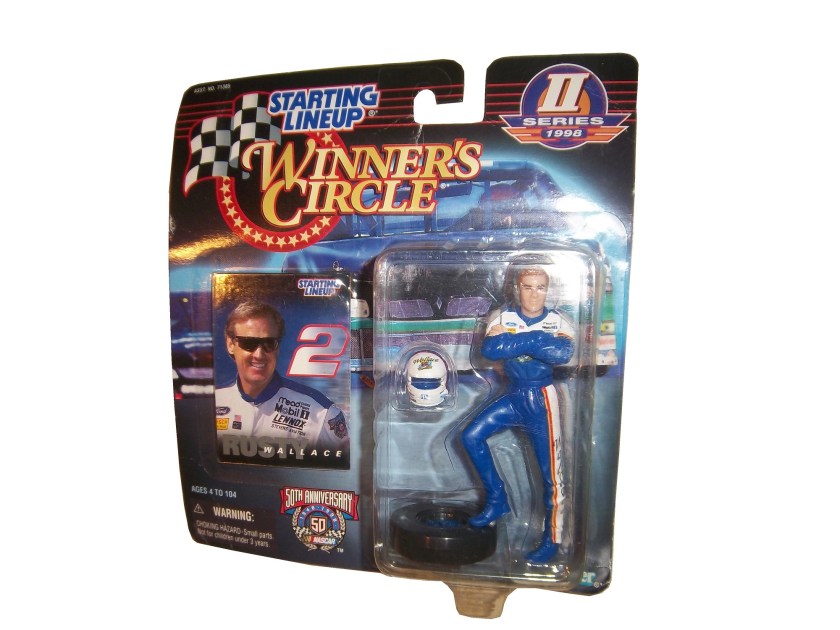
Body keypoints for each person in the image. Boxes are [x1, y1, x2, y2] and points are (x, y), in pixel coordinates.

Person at [461, 267, 575, 564]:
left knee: (551, 475)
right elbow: (491, 349)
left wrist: (519, 340)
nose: (534, 294)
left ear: (547, 290)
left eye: (540, 287)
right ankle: (497, 498)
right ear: (517, 288)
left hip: (542, 399)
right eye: (527, 287)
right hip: (514, 395)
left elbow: (562, 354)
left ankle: (553, 538)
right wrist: (538, 341)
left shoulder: (558, 320)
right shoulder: (502, 316)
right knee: (471, 436)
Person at [215, 300, 348, 461]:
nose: (259, 354)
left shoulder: (322, 413)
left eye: (269, 343)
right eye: (248, 343)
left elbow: (346, 471)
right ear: (230, 344)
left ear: (278, 347)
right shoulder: (212, 403)